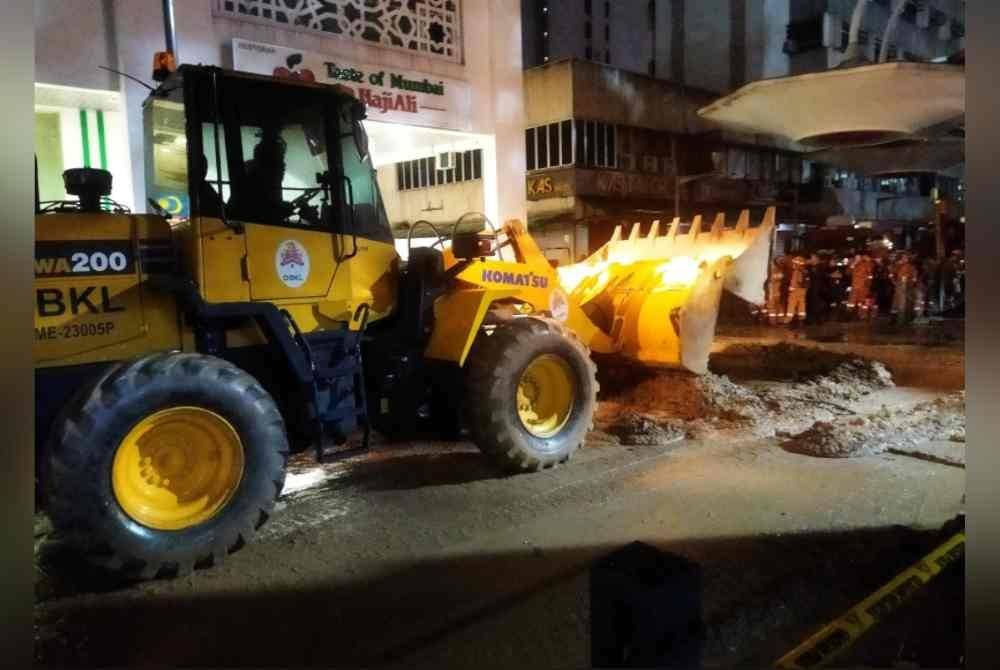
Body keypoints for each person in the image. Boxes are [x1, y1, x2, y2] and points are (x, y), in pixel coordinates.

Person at [228, 129, 291, 223]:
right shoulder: (254, 184)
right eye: (278, 162)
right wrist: (282, 210)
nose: (283, 167)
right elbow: (260, 212)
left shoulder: (254, 179)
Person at [194, 154, 224, 219]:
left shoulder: (205, 185)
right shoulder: (204, 186)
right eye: (202, 167)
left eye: (206, 167)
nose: (205, 170)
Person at [891, 252, 918, 324]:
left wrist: (911, 283)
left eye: (905, 258)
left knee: (907, 302)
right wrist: (894, 281)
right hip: (899, 285)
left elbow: (914, 276)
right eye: (903, 258)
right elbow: (892, 274)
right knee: (897, 302)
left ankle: (907, 318)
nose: (904, 259)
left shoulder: (911, 267)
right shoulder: (897, 266)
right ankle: (895, 318)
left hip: (907, 286)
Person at [848, 253, 875, 320]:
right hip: (854, 286)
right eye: (856, 258)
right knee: (851, 302)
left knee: (862, 302)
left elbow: (870, 275)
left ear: (861, 258)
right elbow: (848, 273)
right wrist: (852, 266)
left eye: (858, 257)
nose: (857, 259)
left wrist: (868, 284)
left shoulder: (865, 264)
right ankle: (851, 315)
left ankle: (863, 315)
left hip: (863, 286)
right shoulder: (853, 264)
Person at [785, 255, 809, 326]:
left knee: (791, 305)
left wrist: (790, 288)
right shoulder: (805, 271)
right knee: (801, 305)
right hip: (802, 291)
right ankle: (801, 320)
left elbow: (794, 281)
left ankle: (788, 321)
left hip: (795, 291)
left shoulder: (796, 271)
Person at [765, 256, 786, 325]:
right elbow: (774, 279)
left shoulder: (778, 269)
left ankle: (778, 321)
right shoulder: (775, 270)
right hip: (774, 291)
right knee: (773, 307)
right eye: (779, 261)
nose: (781, 262)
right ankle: (773, 321)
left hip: (778, 291)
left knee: (778, 307)